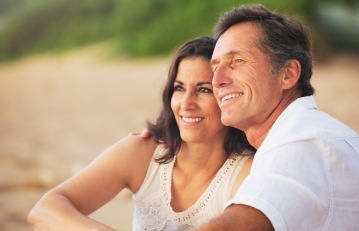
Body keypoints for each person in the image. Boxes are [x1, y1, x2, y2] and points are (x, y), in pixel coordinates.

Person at [27, 36, 255, 230]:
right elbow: (44, 210)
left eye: (203, 90)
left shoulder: (247, 171)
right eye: (179, 88)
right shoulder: (144, 151)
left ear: (228, 97)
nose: (186, 104)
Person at [194, 4, 359, 231]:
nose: (217, 80)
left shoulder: (301, 144)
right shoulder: (313, 134)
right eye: (215, 68)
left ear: (288, 74)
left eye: (237, 61)